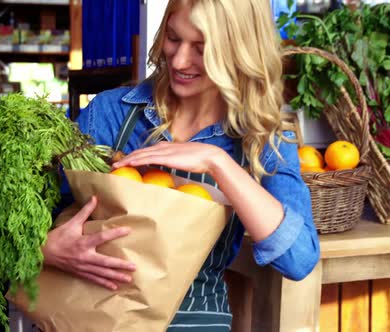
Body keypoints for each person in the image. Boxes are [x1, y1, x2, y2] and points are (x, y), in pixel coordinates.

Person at [42, 0, 320, 330]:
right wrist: (45, 249)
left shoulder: (263, 140)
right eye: (173, 38)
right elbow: (23, 225)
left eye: (202, 48)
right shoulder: (110, 114)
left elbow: (299, 258)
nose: (179, 59)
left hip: (195, 320)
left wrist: (217, 163)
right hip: (95, 316)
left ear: (239, 49)